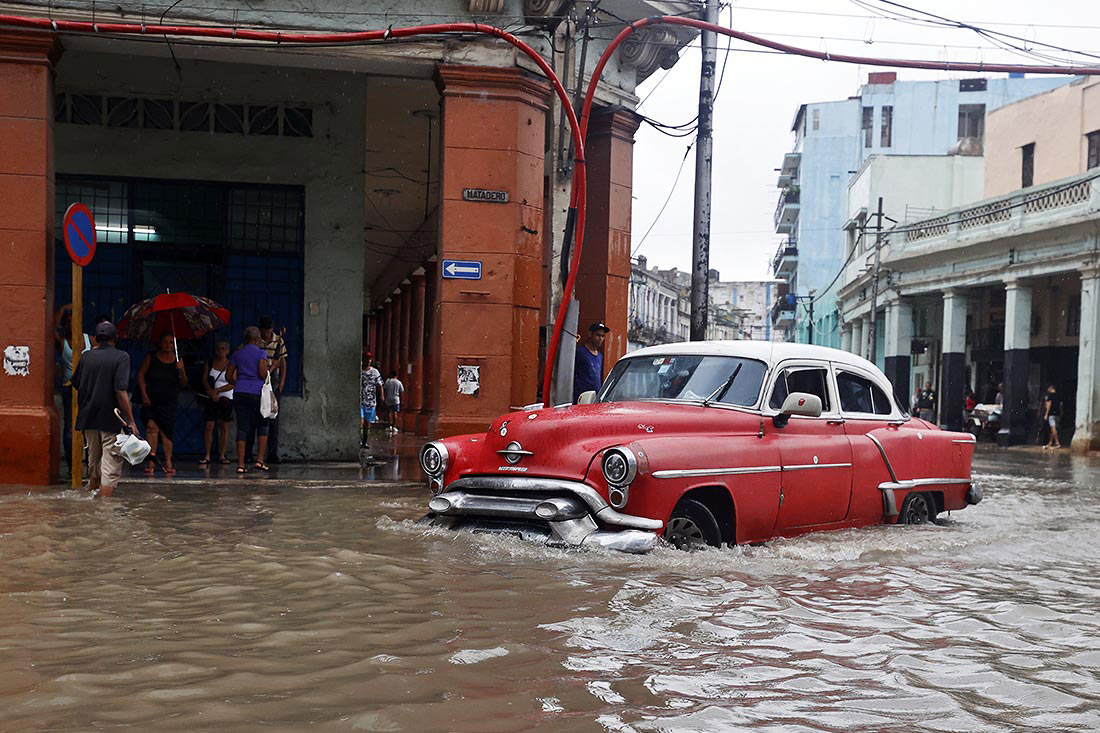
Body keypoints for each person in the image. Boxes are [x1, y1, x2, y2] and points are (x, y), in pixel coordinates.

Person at [72, 322, 139, 497]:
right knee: (109, 471)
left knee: (94, 467)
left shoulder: (86, 357)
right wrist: (131, 420)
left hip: (88, 418)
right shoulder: (122, 357)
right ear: (115, 338)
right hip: (111, 420)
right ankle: (104, 513)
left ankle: (93, 511)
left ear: (95, 339)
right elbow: (120, 390)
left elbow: (77, 383)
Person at [137, 332, 188, 475]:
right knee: (151, 428)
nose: (168, 345)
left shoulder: (178, 360)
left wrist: (181, 369)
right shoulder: (151, 357)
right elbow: (141, 374)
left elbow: (184, 383)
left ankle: (168, 462)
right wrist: (144, 393)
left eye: (171, 343)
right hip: (152, 400)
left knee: (167, 433)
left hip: (169, 401)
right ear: (160, 343)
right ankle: (151, 462)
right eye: (166, 342)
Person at [53, 304, 92, 475]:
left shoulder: (91, 339)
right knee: (70, 429)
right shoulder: (62, 342)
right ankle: (72, 468)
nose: (70, 324)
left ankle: (92, 466)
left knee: (90, 429)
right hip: (70, 390)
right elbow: (49, 328)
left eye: (73, 321)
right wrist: (63, 309)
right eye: (67, 322)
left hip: (90, 390)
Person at [228, 326, 271, 473]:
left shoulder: (237, 354)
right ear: (258, 339)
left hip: (240, 392)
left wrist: (239, 382)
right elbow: (262, 374)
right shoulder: (261, 353)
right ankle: (259, 460)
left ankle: (240, 464)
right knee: (263, 425)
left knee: (242, 427)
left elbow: (228, 375)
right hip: (257, 393)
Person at [200, 340, 234, 465]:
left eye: (223, 349)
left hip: (226, 398)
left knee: (224, 426)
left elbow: (233, 383)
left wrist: (218, 390)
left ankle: (222, 455)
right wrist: (211, 392)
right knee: (209, 426)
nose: (220, 351)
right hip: (211, 398)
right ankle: (207, 455)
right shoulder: (209, 363)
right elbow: (204, 380)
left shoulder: (231, 365)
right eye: (218, 349)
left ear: (227, 351)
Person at [259, 316, 288, 464]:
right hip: (259, 381)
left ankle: (272, 453)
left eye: (269, 330)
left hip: (274, 383)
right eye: (264, 331)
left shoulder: (278, 341)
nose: (266, 334)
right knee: (258, 418)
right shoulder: (256, 341)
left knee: (274, 419)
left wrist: (281, 382)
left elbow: (282, 362)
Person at [573, 323, 610, 402]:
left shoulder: (600, 356)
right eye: (598, 335)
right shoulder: (580, 352)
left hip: (595, 398)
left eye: (602, 336)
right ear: (590, 334)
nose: (600, 338)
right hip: (582, 397)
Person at [360, 358, 383, 446]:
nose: (367, 362)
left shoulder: (375, 372)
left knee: (367, 422)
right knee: (361, 421)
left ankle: (364, 441)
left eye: (369, 360)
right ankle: (358, 439)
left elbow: (380, 384)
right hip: (360, 400)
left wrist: (382, 395)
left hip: (370, 401)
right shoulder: (359, 369)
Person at [1043, 384, 1062, 450]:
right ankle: (1050, 442)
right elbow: (1061, 405)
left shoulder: (1050, 395)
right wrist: (1061, 413)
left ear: (1050, 389)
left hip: (1051, 414)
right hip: (1057, 414)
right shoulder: (1058, 396)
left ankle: (1057, 443)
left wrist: (1046, 414)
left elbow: (1049, 405)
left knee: (1053, 429)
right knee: (1053, 429)